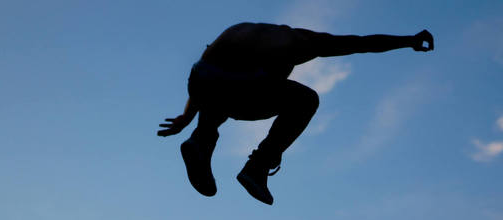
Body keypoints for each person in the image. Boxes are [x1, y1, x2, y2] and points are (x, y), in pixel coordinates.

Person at [158, 22, 434, 205]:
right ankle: (257, 167)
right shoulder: (301, 43)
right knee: (304, 98)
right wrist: (408, 40)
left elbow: (207, 72)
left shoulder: (238, 31)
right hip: (240, 87)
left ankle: (200, 141)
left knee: (221, 93)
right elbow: (361, 43)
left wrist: (186, 118)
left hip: (203, 81)